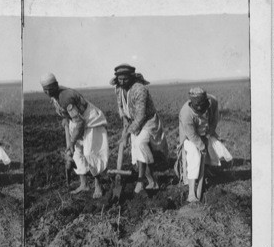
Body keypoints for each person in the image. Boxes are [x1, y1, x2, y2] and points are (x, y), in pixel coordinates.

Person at [40, 73, 109, 199]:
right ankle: (84, 184)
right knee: (77, 154)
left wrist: (71, 141)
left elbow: (80, 122)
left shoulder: (66, 97)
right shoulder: (54, 97)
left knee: (89, 153)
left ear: (56, 85)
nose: (48, 91)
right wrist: (65, 119)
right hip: (76, 121)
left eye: (50, 88)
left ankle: (98, 184)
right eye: (45, 89)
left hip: (90, 121)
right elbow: (69, 114)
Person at [110, 64, 168, 193]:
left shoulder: (139, 89)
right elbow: (120, 106)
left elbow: (141, 116)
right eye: (120, 79)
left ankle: (141, 181)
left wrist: (125, 136)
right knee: (136, 154)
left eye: (125, 79)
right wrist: (125, 120)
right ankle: (152, 181)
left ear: (131, 77)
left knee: (140, 143)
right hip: (133, 122)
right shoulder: (119, 89)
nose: (122, 82)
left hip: (148, 121)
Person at [176, 87, 232, 202]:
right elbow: (192, 135)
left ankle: (205, 173)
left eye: (203, 105)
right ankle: (192, 193)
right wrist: (201, 146)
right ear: (192, 103)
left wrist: (209, 133)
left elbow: (214, 119)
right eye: (197, 107)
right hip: (190, 135)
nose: (200, 108)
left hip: (205, 131)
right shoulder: (186, 113)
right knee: (194, 155)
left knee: (215, 149)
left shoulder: (212, 102)